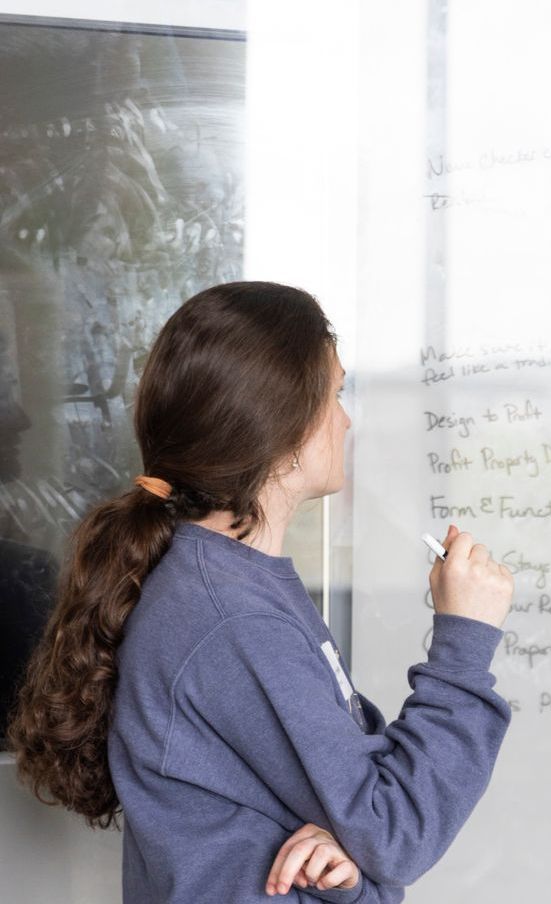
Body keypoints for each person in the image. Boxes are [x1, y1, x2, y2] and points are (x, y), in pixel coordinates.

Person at [6, 281, 514, 902]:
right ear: (283, 426)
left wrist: (349, 864)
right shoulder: (232, 618)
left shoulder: (232, 587)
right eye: (336, 394)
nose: (346, 419)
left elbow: (360, 812)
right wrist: (464, 643)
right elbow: (394, 831)